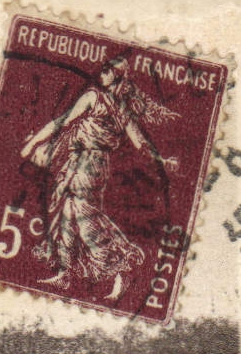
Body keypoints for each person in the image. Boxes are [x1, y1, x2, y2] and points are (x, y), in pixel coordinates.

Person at [20, 53, 179, 301]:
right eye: (103, 69)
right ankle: (64, 272)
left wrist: (32, 143)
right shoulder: (122, 109)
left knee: (84, 217)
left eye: (107, 71)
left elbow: (63, 122)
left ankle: (120, 269)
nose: (101, 73)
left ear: (117, 77)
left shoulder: (94, 97)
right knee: (68, 214)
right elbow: (141, 144)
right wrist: (161, 161)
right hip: (92, 164)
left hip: (86, 164)